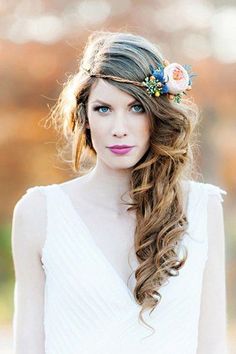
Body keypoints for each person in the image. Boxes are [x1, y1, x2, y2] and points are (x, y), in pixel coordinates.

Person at [11, 31, 228, 354]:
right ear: (84, 116)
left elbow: (212, 345)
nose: (119, 128)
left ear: (157, 113)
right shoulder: (39, 212)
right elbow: (28, 345)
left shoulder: (201, 206)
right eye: (103, 109)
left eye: (137, 107)